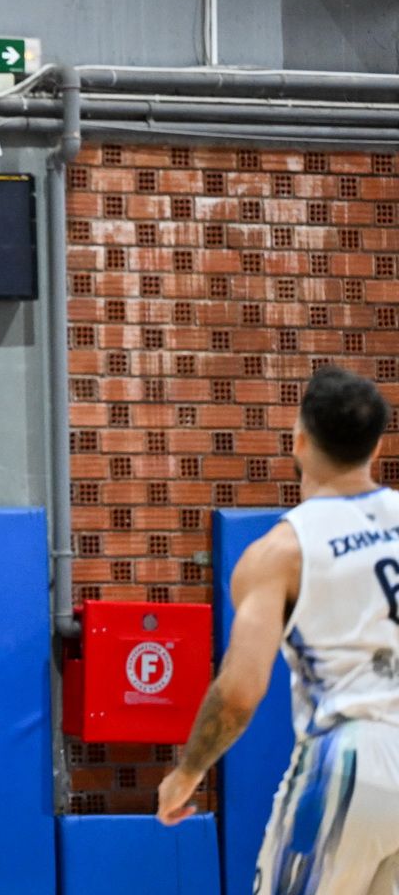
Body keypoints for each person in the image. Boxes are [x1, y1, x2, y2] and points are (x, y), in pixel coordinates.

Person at [157, 366, 399, 894]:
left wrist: (187, 772)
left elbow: (240, 692)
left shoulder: (280, 551)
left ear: (300, 440)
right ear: (377, 446)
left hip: (351, 756)